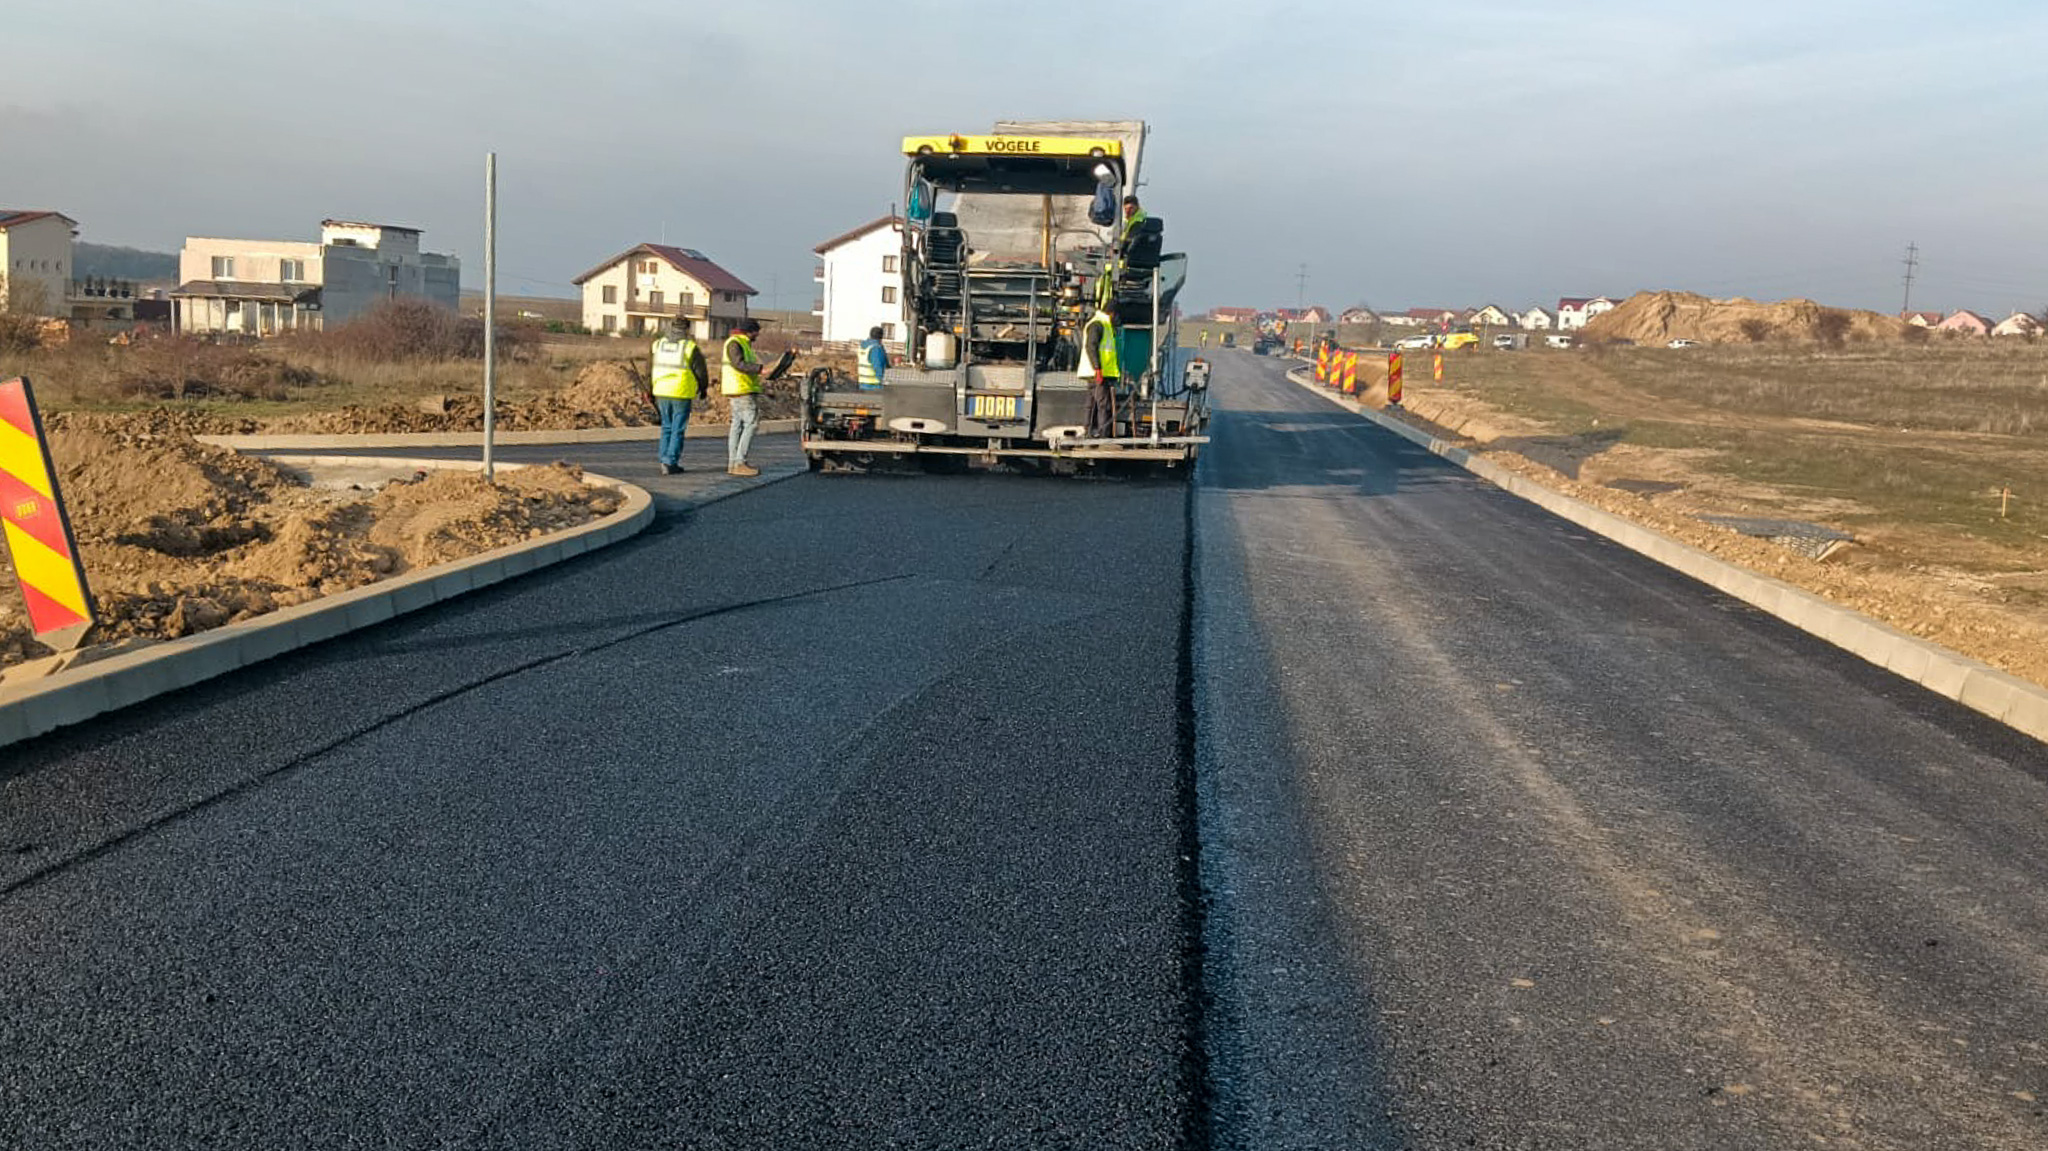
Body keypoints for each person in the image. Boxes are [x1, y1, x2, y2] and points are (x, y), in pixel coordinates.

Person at [648, 318, 706, 474]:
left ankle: (664, 459)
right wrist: (703, 388)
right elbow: (700, 371)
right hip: (681, 392)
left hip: (661, 390)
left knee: (666, 427)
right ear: (687, 329)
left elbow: (649, 369)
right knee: (677, 429)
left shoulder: (657, 345)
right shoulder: (690, 347)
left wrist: (649, 390)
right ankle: (670, 462)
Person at [722, 317, 766, 476]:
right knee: (751, 423)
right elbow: (738, 364)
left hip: (738, 389)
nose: (757, 335)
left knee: (737, 426)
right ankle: (739, 462)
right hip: (741, 389)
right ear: (750, 331)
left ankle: (733, 463)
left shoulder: (741, 343)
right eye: (756, 332)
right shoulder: (735, 343)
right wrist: (759, 369)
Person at [1077, 306, 1119, 439]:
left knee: (1091, 405)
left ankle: (1088, 433)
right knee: (1103, 405)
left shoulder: (1101, 323)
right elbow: (1091, 347)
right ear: (1111, 313)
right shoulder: (1098, 324)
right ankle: (1103, 436)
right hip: (1097, 373)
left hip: (1094, 373)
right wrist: (1098, 369)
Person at [858, 325, 889, 390]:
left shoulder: (863, 346)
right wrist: (881, 380)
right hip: (874, 385)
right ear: (881, 336)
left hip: (862, 383)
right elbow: (878, 365)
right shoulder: (876, 348)